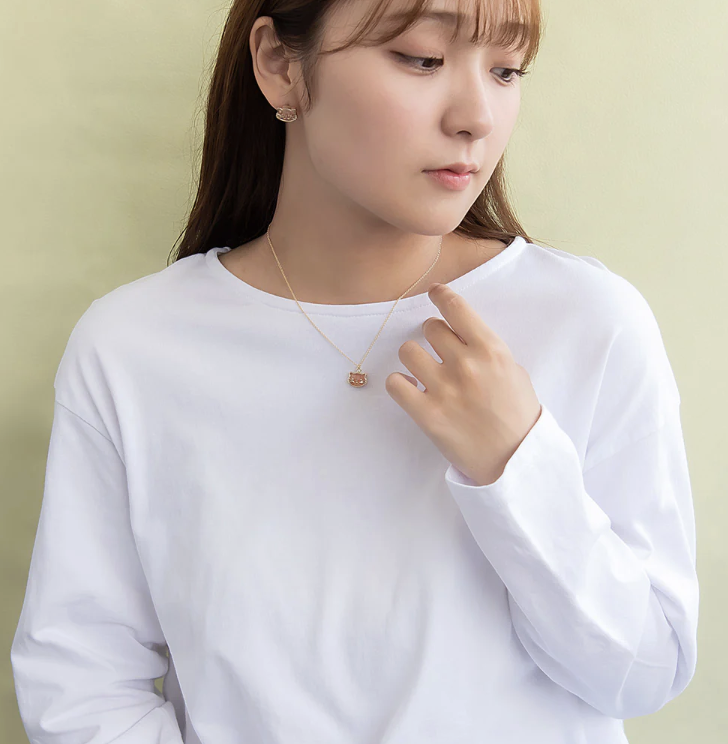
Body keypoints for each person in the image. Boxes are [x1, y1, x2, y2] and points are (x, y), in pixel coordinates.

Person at [10, 1, 699, 742]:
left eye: (506, 70)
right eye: (422, 59)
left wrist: (518, 465)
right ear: (280, 64)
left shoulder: (586, 323)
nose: (476, 117)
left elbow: (646, 671)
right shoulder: (134, 349)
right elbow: (81, 684)